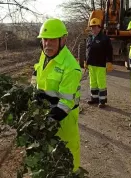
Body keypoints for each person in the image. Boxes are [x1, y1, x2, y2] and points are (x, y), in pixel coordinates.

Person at [31, 18, 82, 176]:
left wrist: (44, 123)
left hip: (63, 122)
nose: (48, 43)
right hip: (45, 114)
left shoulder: (71, 67)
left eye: (53, 39)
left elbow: (65, 104)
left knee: (67, 160)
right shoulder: (45, 54)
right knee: (47, 160)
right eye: (45, 39)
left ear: (63, 40)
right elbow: (38, 73)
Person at [85, 17, 113, 108]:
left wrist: (109, 62)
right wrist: (86, 61)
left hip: (100, 64)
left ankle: (102, 101)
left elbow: (109, 51)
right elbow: (87, 50)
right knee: (93, 83)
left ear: (99, 27)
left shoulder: (105, 38)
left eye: (94, 27)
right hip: (91, 64)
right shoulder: (89, 38)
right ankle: (94, 99)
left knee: (101, 83)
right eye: (91, 27)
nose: (92, 29)